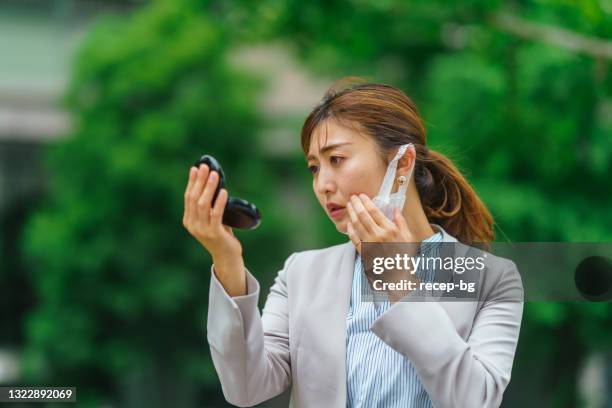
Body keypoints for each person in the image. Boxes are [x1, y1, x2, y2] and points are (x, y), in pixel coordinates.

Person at [182, 79, 524, 408]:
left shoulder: (491, 279)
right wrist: (226, 258)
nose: (323, 185)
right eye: (314, 168)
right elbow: (245, 386)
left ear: (402, 163)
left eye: (337, 160)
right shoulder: (302, 273)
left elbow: (474, 400)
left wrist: (400, 281)